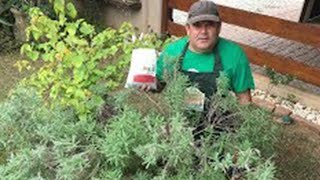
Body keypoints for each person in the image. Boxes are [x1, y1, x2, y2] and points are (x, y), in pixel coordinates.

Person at [141, 0, 255, 105]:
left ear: (219, 27)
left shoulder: (234, 55)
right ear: (188, 29)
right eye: (197, 25)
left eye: (209, 25)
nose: (203, 31)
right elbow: (159, 84)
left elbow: (244, 99)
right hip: (179, 122)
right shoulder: (172, 52)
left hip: (218, 123)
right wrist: (149, 83)